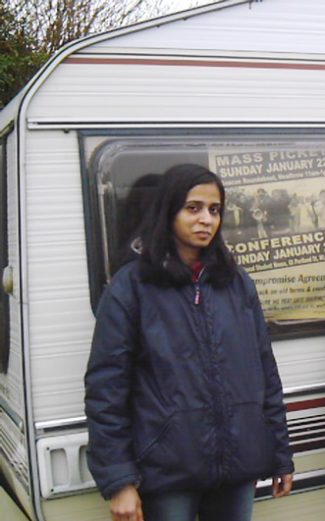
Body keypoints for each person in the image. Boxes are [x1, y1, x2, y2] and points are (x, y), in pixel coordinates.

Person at [84, 164, 294, 521]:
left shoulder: (236, 282)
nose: (206, 220)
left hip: (237, 466)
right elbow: (106, 389)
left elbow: (264, 372)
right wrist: (119, 480)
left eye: (214, 210)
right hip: (167, 472)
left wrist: (279, 452)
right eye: (193, 208)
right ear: (168, 211)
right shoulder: (132, 286)